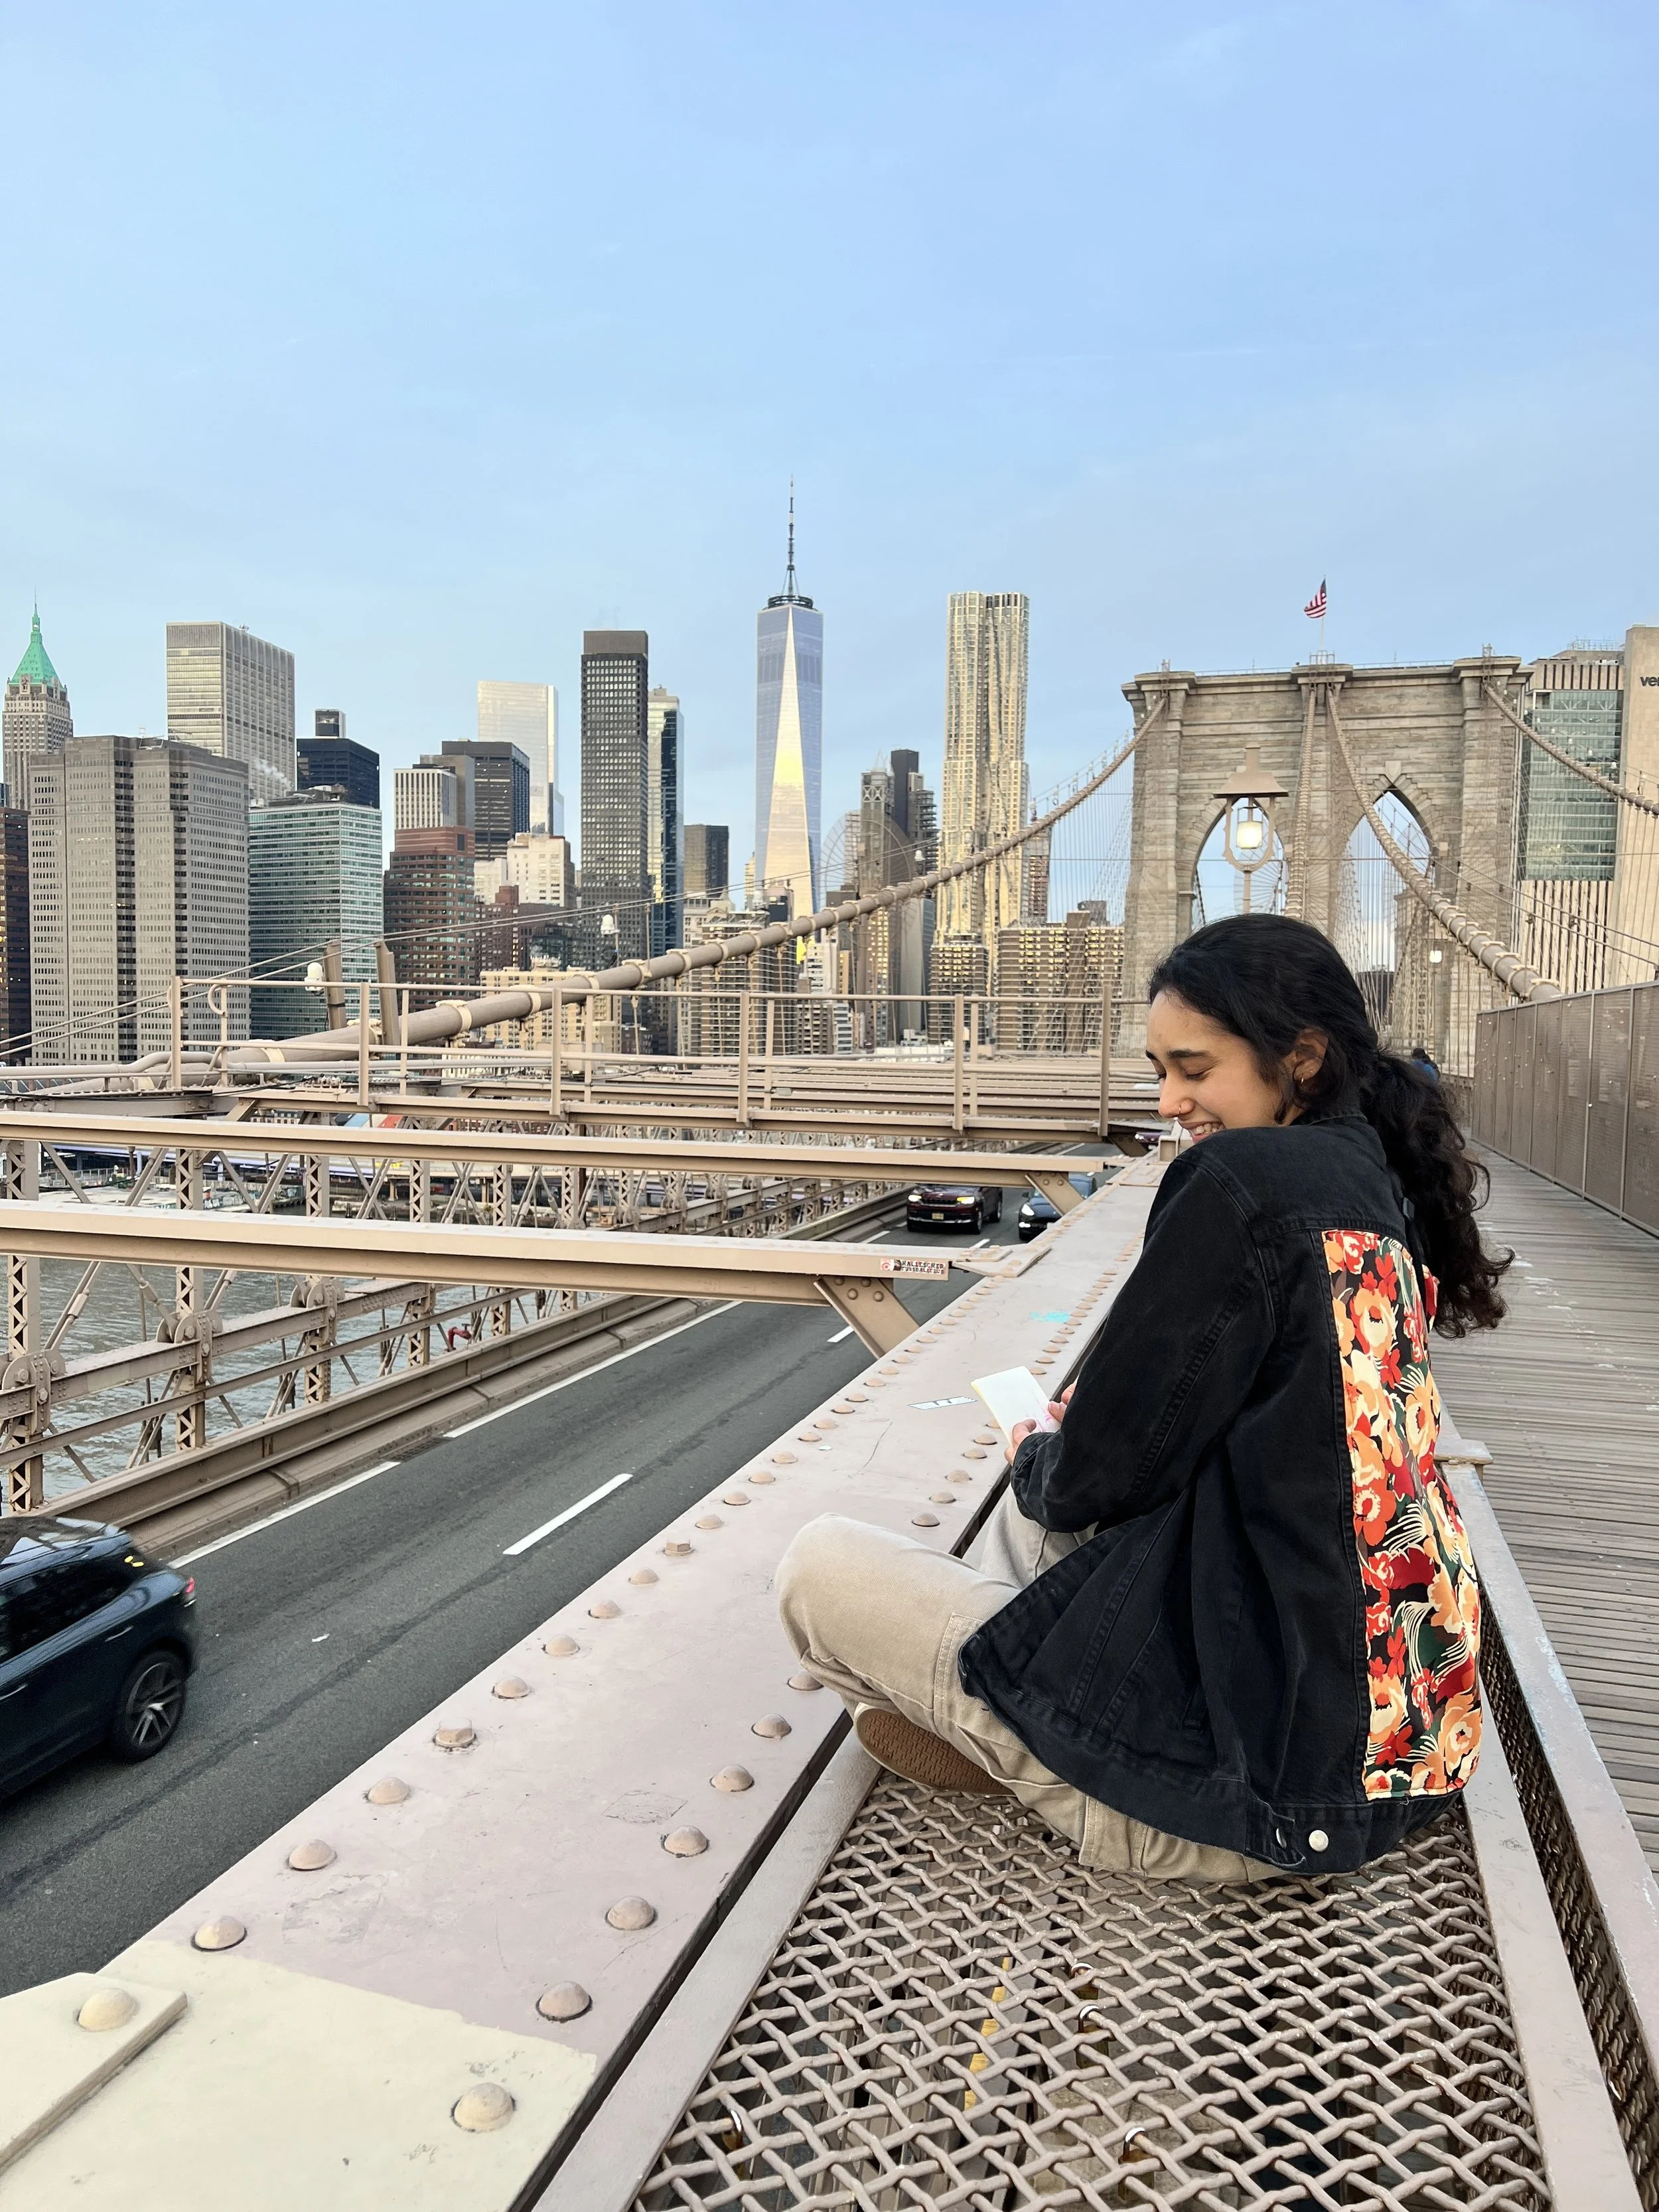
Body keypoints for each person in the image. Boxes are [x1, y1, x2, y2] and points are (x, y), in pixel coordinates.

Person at [777, 914, 1505, 1881]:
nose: (1169, 1102)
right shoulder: (1376, 1180)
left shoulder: (1238, 1179)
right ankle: (1004, 1716)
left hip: (1258, 1811)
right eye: (1160, 1070)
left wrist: (1043, 1450)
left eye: (1195, 1070)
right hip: (1407, 1760)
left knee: (820, 1567)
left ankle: (1019, 1749)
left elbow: (1092, 1480)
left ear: (1304, 1057)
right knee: (1038, 1543)